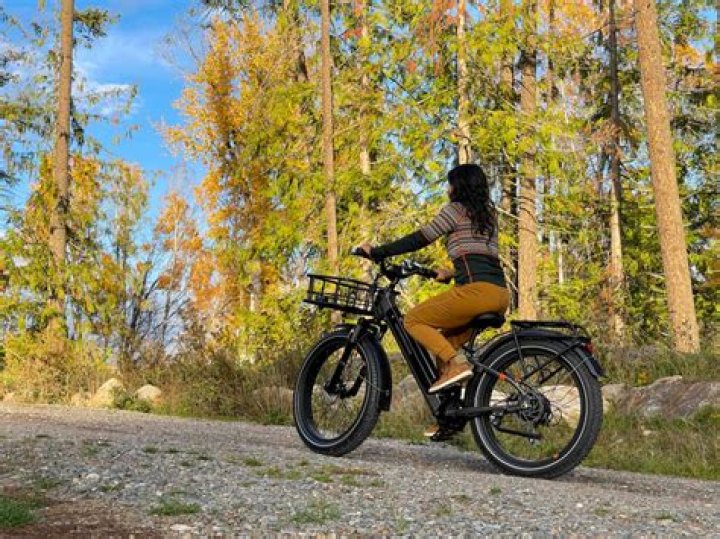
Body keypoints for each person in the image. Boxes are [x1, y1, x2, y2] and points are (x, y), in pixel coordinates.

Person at [355, 163, 509, 438]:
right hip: (498, 294)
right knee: (444, 343)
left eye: (450, 184)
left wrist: (377, 252)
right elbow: (481, 256)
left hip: (475, 293)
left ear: (459, 186)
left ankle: (458, 364)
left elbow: (421, 238)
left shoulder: (455, 210)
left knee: (413, 320)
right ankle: (449, 415)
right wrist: (451, 272)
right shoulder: (488, 216)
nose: (448, 189)